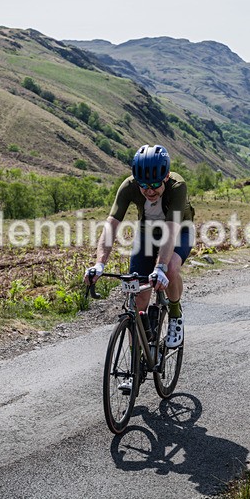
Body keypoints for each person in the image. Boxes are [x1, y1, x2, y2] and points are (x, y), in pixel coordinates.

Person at [84, 144, 194, 350]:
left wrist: (159, 268)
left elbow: (171, 231)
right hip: (147, 234)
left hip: (179, 231)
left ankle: (176, 315)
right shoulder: (129, 186)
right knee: (139, 295)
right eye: (144, 185)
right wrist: (99, 264)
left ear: (166, 176)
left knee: (170, 269)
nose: (149, 190)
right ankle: (137, 357)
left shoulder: (177, 187)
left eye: (154, 184)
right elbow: (111, 225)